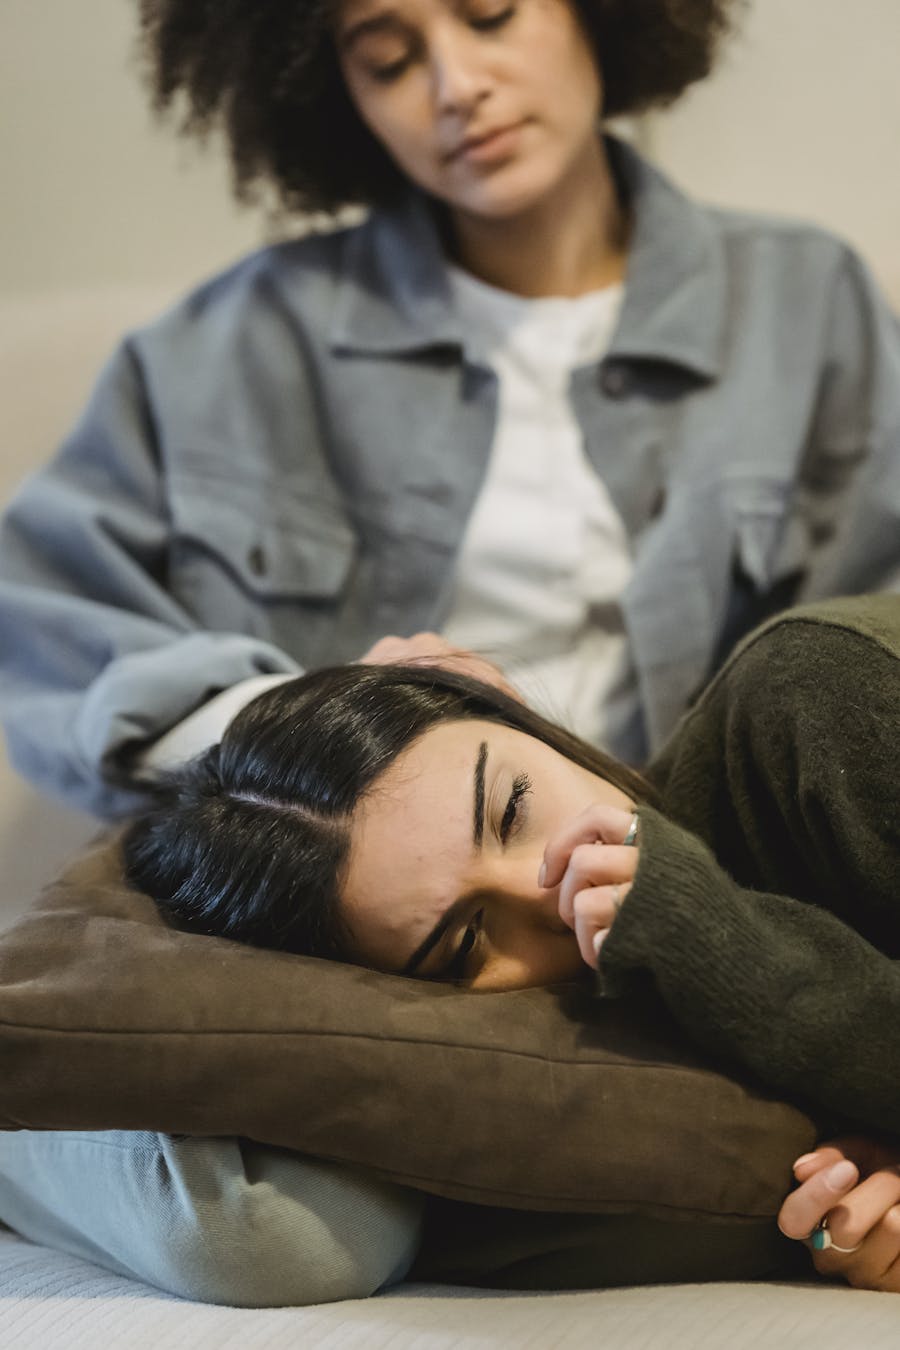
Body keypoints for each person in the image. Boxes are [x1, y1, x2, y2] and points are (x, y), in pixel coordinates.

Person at [1, 0, 899, 1309]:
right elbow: (35, 609)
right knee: (275, 1225)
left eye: (489, 15)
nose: (455, 86)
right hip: (343, 927)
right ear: (326, 86)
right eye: (387, 55)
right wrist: (297, 714)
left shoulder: (798, 303)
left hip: (665, 893)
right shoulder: (238, 346)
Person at [120, 593, 900, 1292]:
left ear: (506, 709)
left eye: (514, 807)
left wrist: (720, 942)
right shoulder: (595, 1090)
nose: (553, 891)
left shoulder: (817, 698)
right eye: (466, 944)